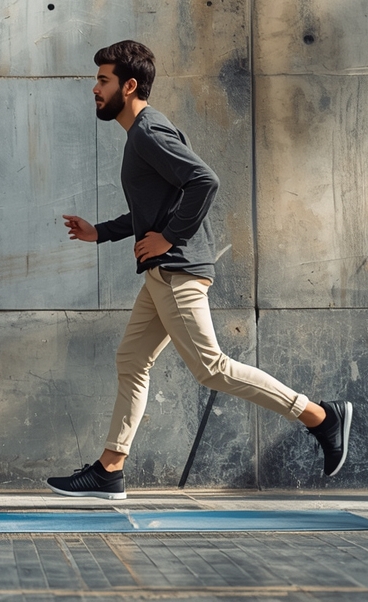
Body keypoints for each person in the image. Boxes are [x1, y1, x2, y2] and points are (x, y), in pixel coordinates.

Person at [46, 40, 351, 500]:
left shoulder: (148, 132)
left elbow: (204, 180)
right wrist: (100, 232)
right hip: (162, 271)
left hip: (175, 270)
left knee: (212, 369)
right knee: (131, 360)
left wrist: (169, 238)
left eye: (103, 80)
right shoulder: (143, 134)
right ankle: (110, 469)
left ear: (129, 86)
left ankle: (319, 417)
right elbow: (155, 208)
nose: (95, 88)